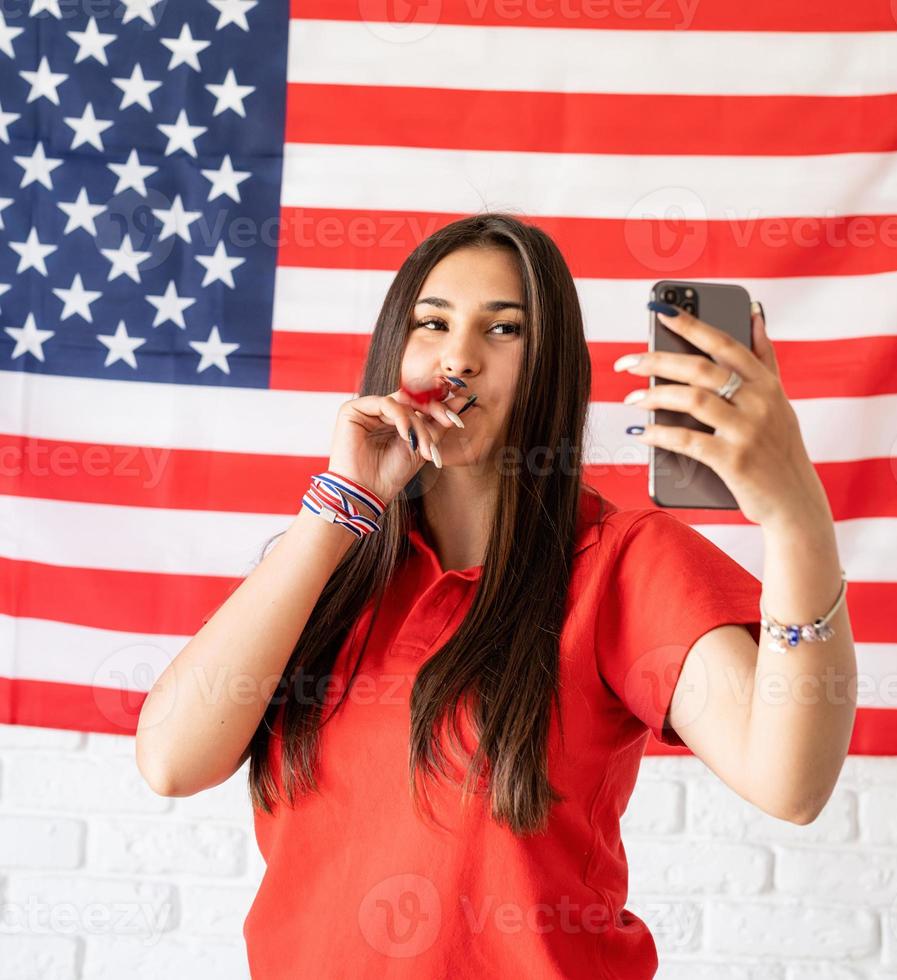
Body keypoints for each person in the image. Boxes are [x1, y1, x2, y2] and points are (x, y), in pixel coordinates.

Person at [137, 211, 853, 978]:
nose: (460, 356)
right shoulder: (325, 564)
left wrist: (796, 515)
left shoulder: (621, 561)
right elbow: (172, 762)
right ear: (394, 350)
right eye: (431, 322)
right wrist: (341, 501)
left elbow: (791, 783)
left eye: (504, 330)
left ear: (552, 364)